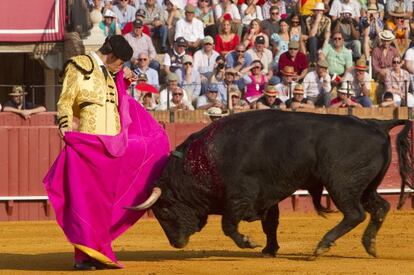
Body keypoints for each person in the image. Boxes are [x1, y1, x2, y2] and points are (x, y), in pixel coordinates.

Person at [44, 35, 170, 270]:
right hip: (90, 144)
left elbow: (116, 101)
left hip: (112, 145)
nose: (120, 67)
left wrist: (124, 79)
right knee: (86, 201)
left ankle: (97, 251)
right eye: (120, 63)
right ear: (111, 56)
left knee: (103, 203)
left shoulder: (111, 75)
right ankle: (82, 257)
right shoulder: (79, 65)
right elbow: (66, 99)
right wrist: (64, 123)